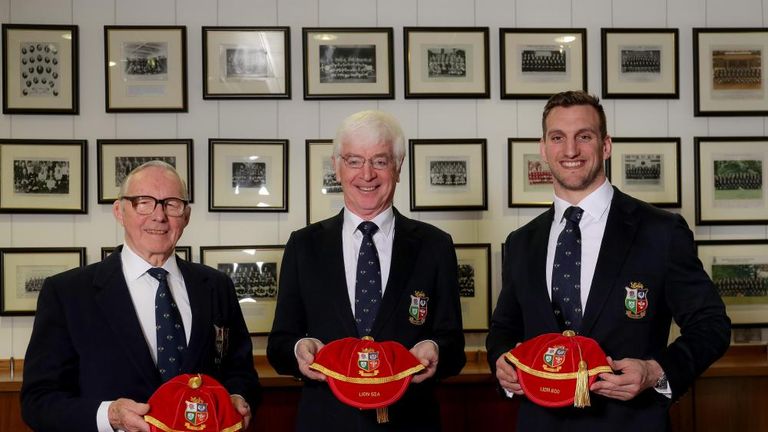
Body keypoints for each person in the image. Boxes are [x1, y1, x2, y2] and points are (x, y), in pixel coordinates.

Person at [486, 91, 731, 431]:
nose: (570, 150)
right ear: (543, 148)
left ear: (606, 145)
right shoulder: (521, 242)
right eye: (558, 138)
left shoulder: (661, 231)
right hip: (539, 423)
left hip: (632, 423)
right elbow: (504, 329)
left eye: (583, 136)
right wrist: (501, 361)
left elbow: (711, 325)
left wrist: (655, 371)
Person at [21, 161, 260, 432]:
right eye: (143, 202)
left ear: (186, 215)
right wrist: (109, 415)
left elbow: (241, 374)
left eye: (171, 204)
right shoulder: (67, 293)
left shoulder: (217, 286)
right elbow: (38, 402)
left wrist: (238, 399)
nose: (159, 216)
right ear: (119, 211)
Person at [267, 110, 465, 431]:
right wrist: (297, 351)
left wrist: (436, 351)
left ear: (398, 167)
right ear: (337, 167)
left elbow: (454, 347)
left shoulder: (434, 246)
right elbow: (279, 345)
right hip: (326, 422)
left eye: (380, 161)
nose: (367, 174)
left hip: (410, 422)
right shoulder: (304, 246)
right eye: (355, 160)